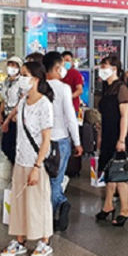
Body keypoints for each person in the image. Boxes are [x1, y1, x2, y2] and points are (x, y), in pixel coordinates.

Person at [0, 62, 55, 256]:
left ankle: (44, 241)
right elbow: (15, 111)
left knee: (38, 202)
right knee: (20, 201)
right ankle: (20, 240)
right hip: (20, 159)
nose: (21, 78)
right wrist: (7, 120)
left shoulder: (44, 104)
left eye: (25, 74)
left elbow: (46, 139)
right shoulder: (24, 100)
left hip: (35, 162)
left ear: (36, 79)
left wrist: (37, 166)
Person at [42, 52, 82, 228]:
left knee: (45, 181)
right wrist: (77, 142)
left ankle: (48, 216)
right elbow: (70, 118)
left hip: (42, 141)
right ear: (58, 68)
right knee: (56, 180)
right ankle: (61, 204)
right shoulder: (64, 88)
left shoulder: (38, 87)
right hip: (61, 140)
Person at [94, 56, 128, 226]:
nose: (102, 69)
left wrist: (122, 139)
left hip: (118, 134)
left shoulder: (121, 88)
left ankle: (125, 208)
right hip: (108, 133)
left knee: (119, 174)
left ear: (115, 69)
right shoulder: (106, 87)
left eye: (105, 66)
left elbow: (125, 116)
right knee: (109, 172)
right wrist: (101, 136)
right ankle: (108, 205)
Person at [0, 56, 23, 164]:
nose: (12, 67)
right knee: (6, 146)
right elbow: (4, 99)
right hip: (7, 113)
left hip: (16, 116)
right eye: (10, 64)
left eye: (15, 65)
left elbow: (21, 100)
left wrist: (12, 116)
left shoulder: (21, 82)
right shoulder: (6, 81)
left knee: (15, 145)